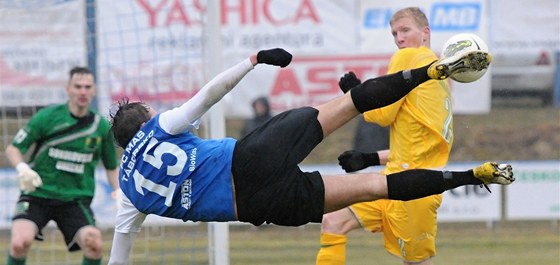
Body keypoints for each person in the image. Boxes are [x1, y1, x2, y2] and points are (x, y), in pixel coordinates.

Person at [106, 48, 512, 265]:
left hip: (255, 203)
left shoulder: (127, 194)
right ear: (145, 122)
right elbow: (209, 94)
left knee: (376, 187)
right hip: (251, 159)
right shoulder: (160, 127)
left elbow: (118, 258)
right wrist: (252, 61)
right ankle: (429, 72)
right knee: (350, 102)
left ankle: (471, 177)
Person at [316, 7, 461, 265]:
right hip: (395, 177)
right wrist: (369, 158)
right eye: (395, 33)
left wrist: (355, 94)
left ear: (425, 33)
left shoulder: (409, 57)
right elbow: (416, 143)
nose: (399, 38)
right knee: (334, 221)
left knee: (415, 263)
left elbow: (381, 116)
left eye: (405, 30)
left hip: (414, 187)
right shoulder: (439, 76)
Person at [5, 67, 119, 265]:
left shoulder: (100, 127)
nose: (82, 91)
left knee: (95, 245)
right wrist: (23, 168)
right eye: (77, 86)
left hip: (74, 200)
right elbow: (13, 149)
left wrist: (119, 193)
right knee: (19, 243)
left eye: (87, 87)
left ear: (94, 91)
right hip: (37, 194)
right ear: (68, 89)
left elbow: (111, 166)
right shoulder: (47, 117)